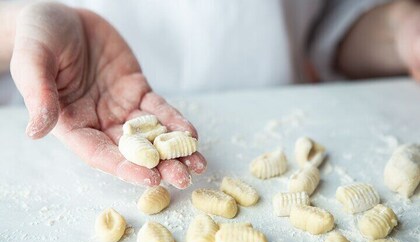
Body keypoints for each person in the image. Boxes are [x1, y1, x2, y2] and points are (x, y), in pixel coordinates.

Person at [0, 0, 418, 188]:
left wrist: (400, 30)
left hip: (282, 128)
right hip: (62, 142)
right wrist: (21, 28)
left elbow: (333, 23)